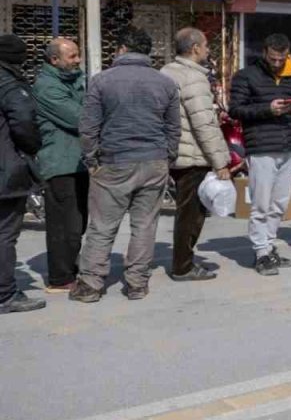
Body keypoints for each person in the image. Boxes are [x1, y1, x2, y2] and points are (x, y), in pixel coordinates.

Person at [71, 27, 180, 303]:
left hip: (113, 162)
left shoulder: (101, 81)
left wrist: (91, 159)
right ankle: (137, 284)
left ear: (120, 49)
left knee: (102, 226)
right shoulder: (165, 83)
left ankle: (91, 285)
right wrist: (167, 157)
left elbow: (88, 127)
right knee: (145, 225)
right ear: (146, 52)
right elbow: (173, 128)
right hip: (154, 161)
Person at [229, 33, 291, 274]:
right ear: (264, 53)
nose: (277, 63)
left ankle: (270, 245)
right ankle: (261, 252)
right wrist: (267, 109)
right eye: (273, 59)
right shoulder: (246, 76)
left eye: (281, 59)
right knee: (261, 204)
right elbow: (236, 110)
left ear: (288, 55)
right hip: (261, 148)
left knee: (279, 204)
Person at [161, 28, 233, 282]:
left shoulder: (167, 71)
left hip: (176, 153)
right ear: (194, 48)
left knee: (185, 211)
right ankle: (183, 265)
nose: (208, 50)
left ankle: (182, 261)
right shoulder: (193, 77)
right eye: (205, 45)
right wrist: (220, 161)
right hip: (192, 156)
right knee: (191, 215)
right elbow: (204, 124)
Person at [32, 38, 87, 293]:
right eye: (72, 56)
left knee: (78, 222)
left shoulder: (75, 79)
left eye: (77, 55)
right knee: (64, 224)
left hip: (79, 162)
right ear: (54, 60)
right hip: (59, 163)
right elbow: (79, 117)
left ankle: (69, 268)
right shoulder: (46, 87)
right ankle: (60, 277)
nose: (77, 60)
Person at [0, 34, 46, 313]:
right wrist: (31, 148)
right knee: (5, 232)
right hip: (6, 168)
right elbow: (25, 121)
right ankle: (5, 294)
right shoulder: (8, 83)